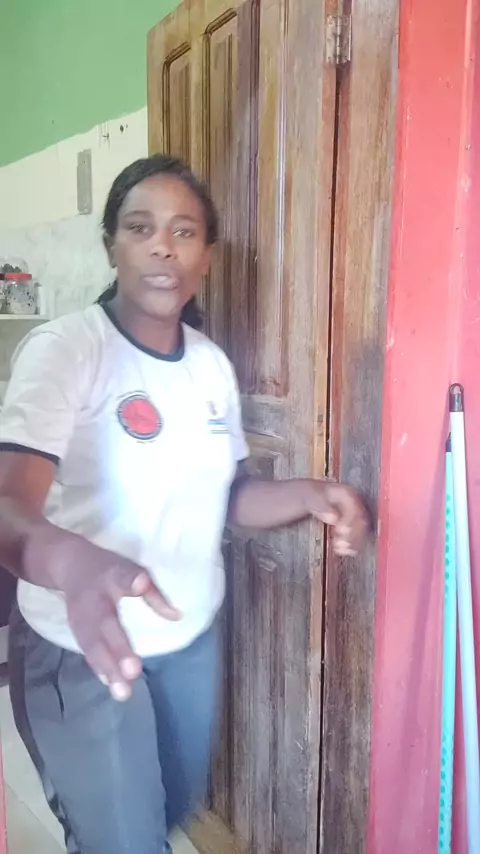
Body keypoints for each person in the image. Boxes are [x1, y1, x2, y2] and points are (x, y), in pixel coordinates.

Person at [0, 154, 368, 854]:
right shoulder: (66, 351)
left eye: (184, 231)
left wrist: (312, 494)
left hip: (187, 642)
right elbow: (8, 506)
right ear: (112, 245)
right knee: (124, 842)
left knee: (170, 809)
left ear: (206, 256)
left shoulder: (209, 366)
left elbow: (229, 497)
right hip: (83, 646)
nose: (163, 246)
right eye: (141, 228)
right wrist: (74, 564)